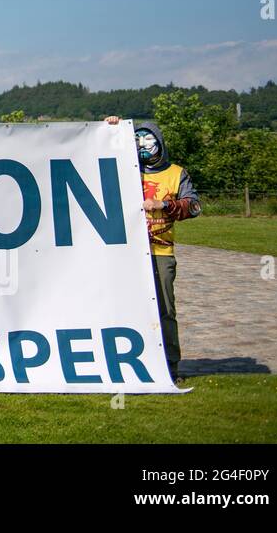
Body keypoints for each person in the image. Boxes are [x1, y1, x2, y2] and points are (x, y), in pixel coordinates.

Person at [106, 115, 200, 381]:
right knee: (125, 305)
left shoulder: (176, 173)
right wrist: (109, 129)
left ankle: (170, 365)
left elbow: (194, 206)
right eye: (137, 140)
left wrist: (166, 205)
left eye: (148, 140)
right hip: (126, 253)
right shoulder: (126, 168)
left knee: (164, 309)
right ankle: (131, 360)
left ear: (159, 142)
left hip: (160, 251)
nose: (143, 145)